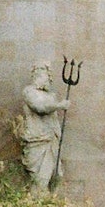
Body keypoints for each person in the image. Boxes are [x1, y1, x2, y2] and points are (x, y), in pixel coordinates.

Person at [20, 61, 70, 189]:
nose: (50, 79)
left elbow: (53, 119)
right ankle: (38, 204)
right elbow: (39, 107)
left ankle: (51, 203)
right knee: (40, 179)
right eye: (48, 76)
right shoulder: (29, 92)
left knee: (56, 176)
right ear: (39, 76)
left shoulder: (51, 96)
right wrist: (59, 105)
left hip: (51, 140)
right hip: (37, 140)